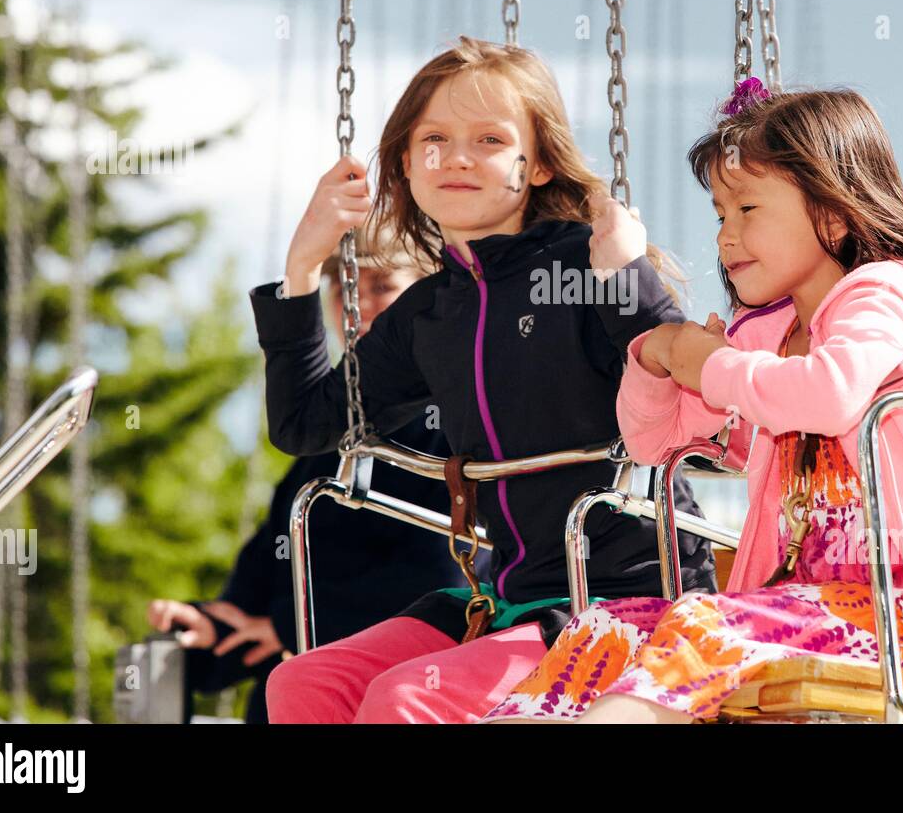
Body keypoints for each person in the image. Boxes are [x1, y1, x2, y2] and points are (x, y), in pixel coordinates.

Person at [483, 82, 903, 724]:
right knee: (601, 630)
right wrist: (658, 361)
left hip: (899, 622)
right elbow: (655, 442)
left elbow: (828, 394)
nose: (726, 237)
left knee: (699, 624)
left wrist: (714, 366)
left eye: (748, 210)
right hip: (789, 609)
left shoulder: (888, 294)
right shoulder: (765, 336)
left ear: (832, 212)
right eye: (720, 214)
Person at [251, 36, 717, 723]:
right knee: (303, 685)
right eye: (434, 138)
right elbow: (306, 425)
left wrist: (625, 270)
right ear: (405, 165)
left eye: (490, 139)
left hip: (627, 599)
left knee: (405, 699)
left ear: (537, 166)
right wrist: (302, 269)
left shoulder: (579, 268)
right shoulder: (429, 313)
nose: (459, 156)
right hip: (509, 597)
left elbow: (675, 366)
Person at [146, 251, 481, 722]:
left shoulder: (459, 423)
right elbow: (272, 557)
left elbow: (449, 575)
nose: (361, 305)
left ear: (424, 292)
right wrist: (213, 624)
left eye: (382, 286)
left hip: (404, 692)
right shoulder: (327, 441)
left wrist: (284, 625)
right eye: (347, 291)